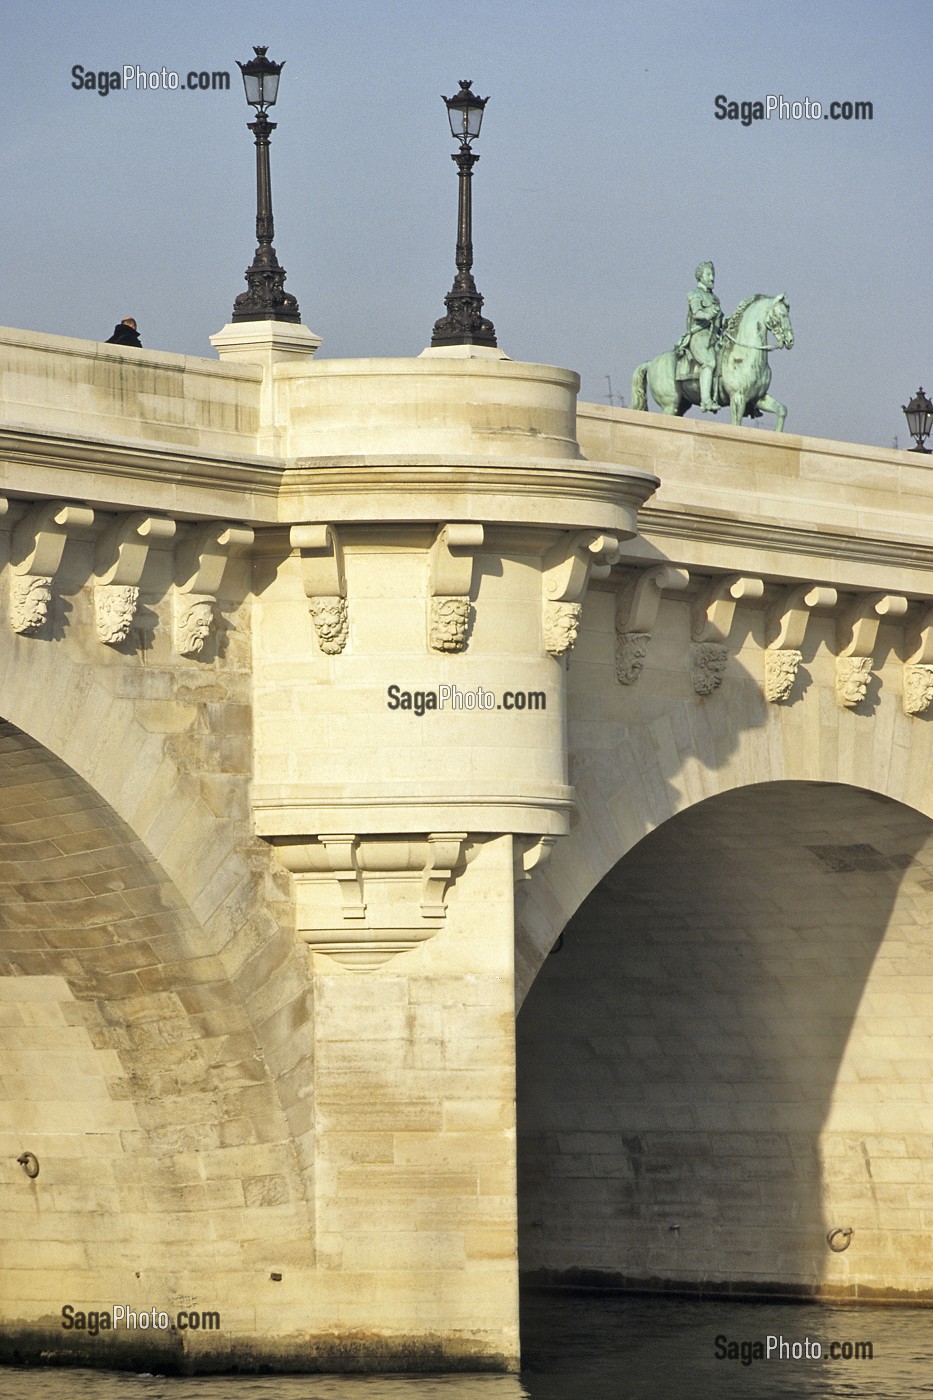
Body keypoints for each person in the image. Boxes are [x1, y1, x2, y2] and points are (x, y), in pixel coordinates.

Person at [677, 262, 722, 413]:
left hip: (714, 336)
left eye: (713, 274)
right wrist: (708, 314)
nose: (712, 278)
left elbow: (719, 320)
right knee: (709, 362)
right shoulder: (694, 294)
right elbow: (696, 313)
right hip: (698, 335)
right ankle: (706, 400)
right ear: (700, 277)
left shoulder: (714, 298)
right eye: (708, 274)